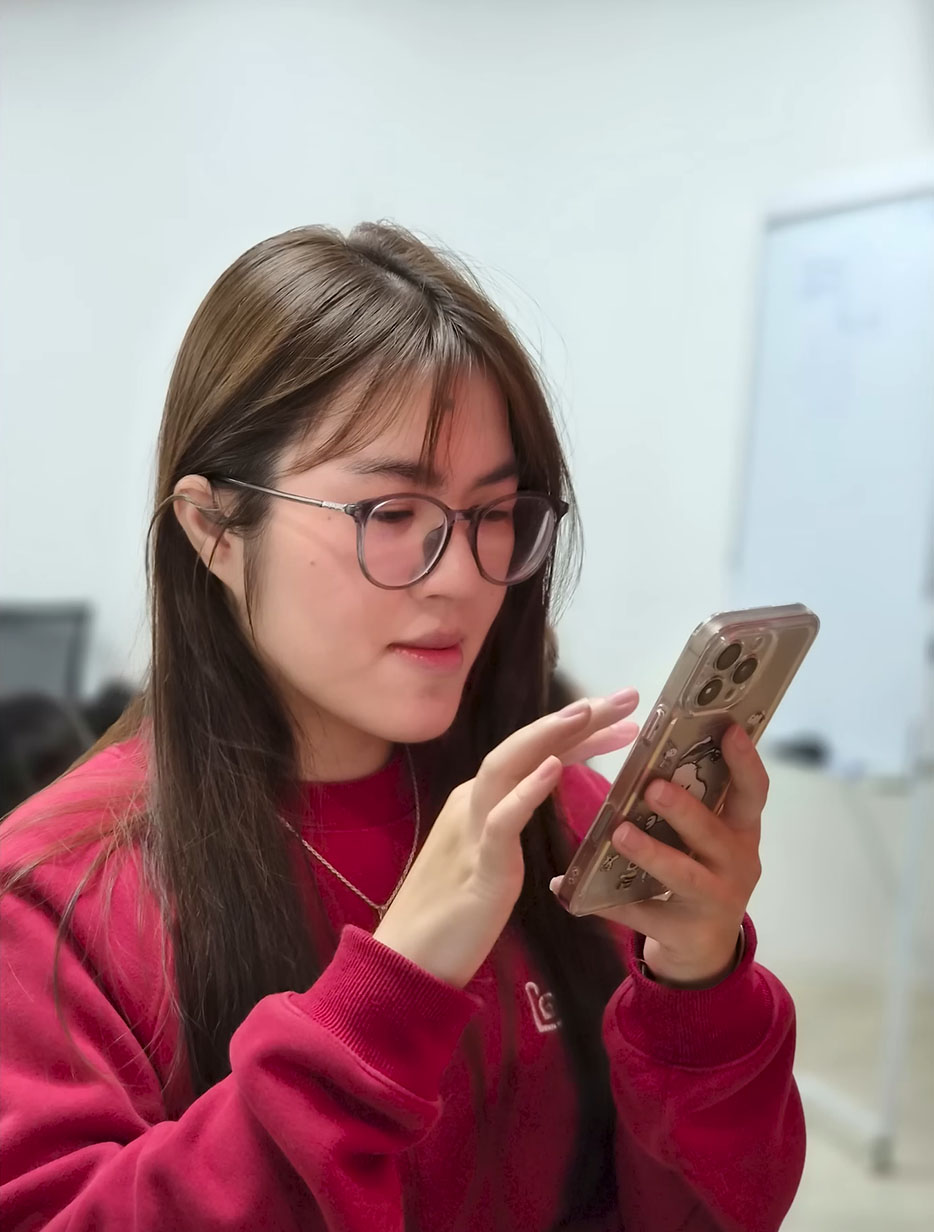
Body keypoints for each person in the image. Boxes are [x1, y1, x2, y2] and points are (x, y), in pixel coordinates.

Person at [0, 223, 804, 1232]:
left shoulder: (559, 818)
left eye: (495, 513)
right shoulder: (56, 897)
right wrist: (388, 998)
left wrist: (698, 980)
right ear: (212, 528)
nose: (461, 577)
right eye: (389, 512)